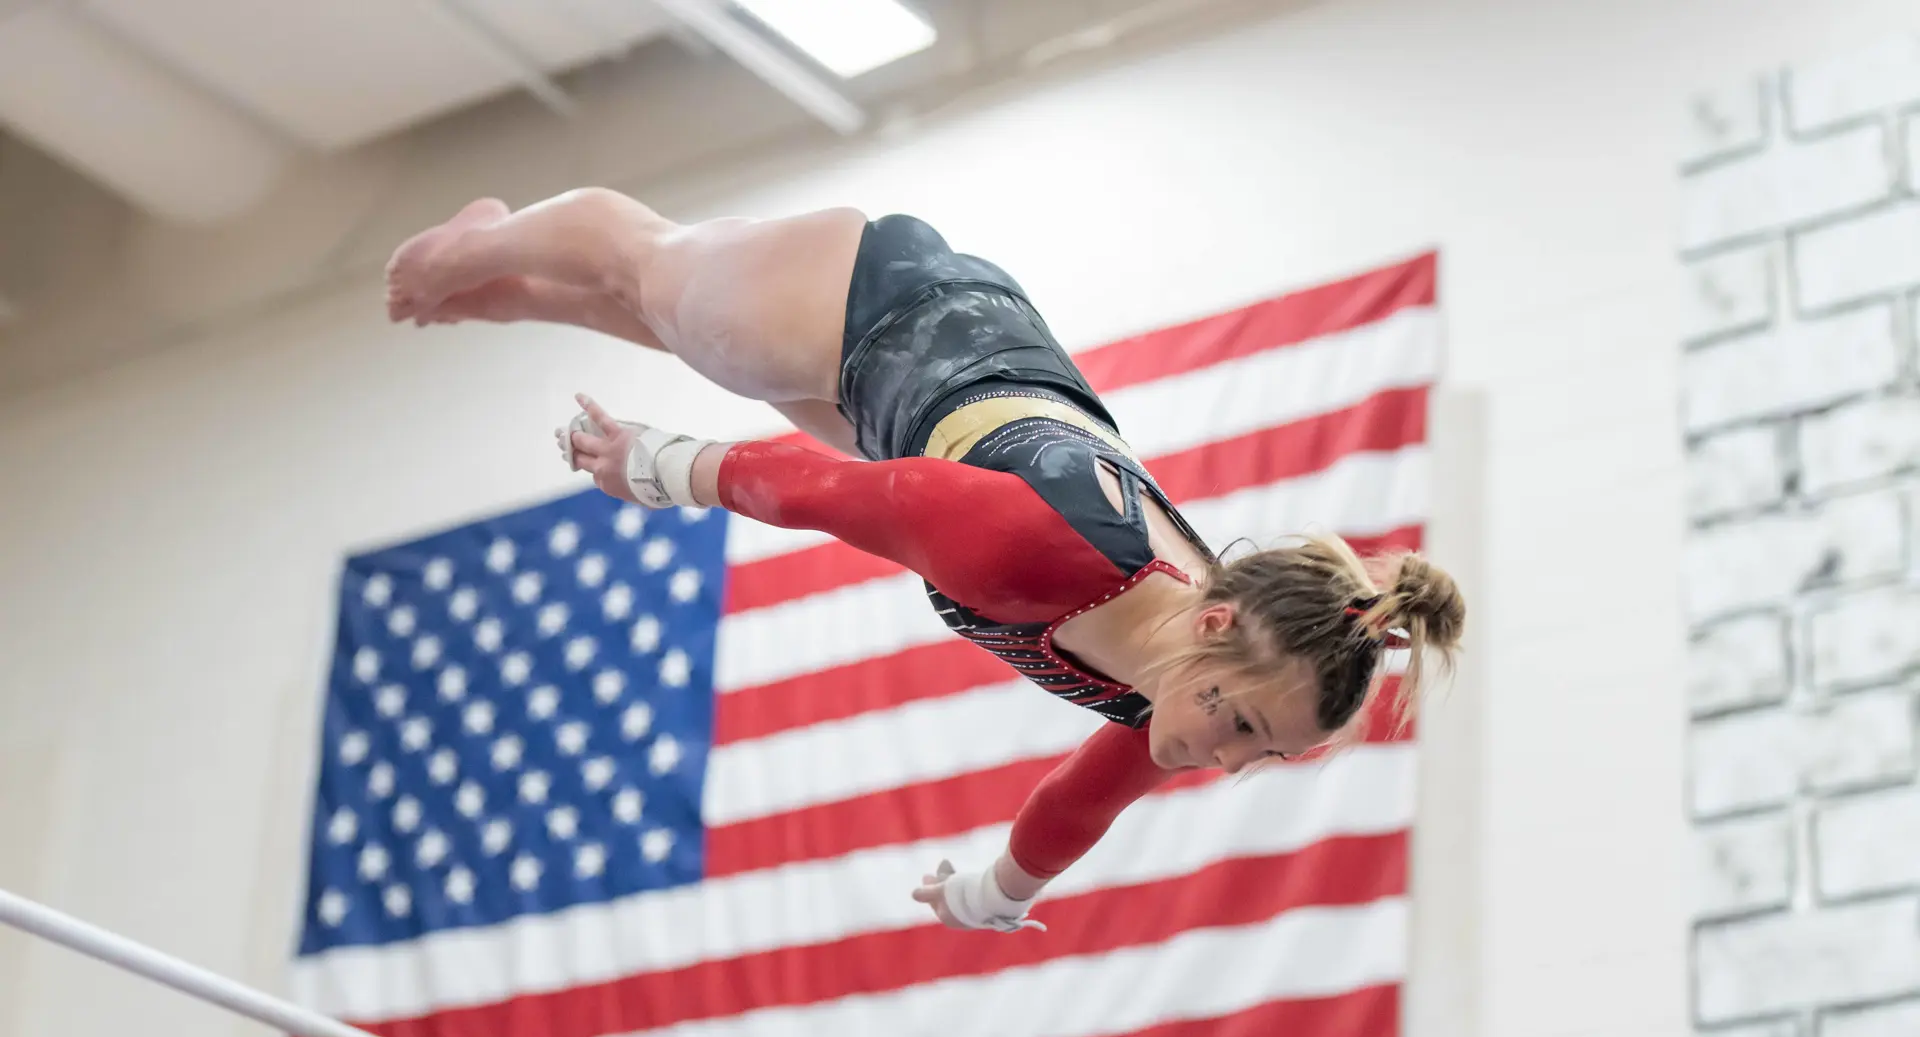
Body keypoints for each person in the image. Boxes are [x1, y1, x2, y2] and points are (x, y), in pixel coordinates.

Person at [385, 190, 1467, 934]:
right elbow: (828, 492)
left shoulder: (1176, 683)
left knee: (681, 327)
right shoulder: (1037, 553)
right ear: (1218, 623)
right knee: (652, 271)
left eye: (1258, 754)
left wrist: (988, 896)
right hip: (885, 300)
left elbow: (1076, 805)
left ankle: (516, 291)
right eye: (1240, 725)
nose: (1221, 759)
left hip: (905, 400)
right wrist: (658, 462)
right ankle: (477, 243)